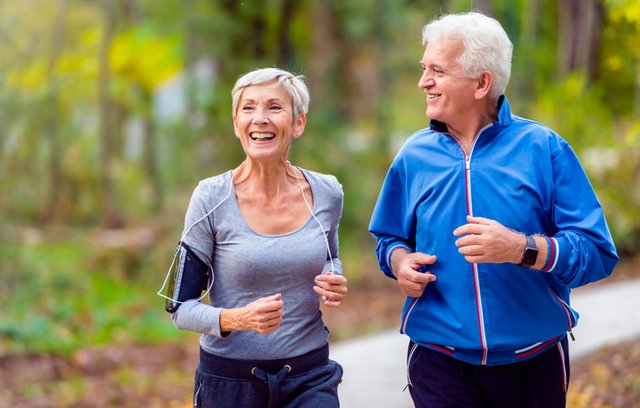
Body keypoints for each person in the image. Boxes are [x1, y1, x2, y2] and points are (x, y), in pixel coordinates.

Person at [369, 11, 618, 408]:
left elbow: (597, 252)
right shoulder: (413, 155)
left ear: (482, 82)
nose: (423, 82)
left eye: (438, 70)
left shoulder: (544, 149)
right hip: (438, 357)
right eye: (424, 68)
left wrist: (521, 249)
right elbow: (389, 238)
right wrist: (399, 262)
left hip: (533, 359)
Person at [160, 67, 348, 408]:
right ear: (236, 124)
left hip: (309, 375)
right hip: (230, 383)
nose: (260, 118)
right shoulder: (210, 198)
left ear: (298, 124)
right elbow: (178, 307)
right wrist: (238, 318)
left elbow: (329, 255)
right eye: (248, 108)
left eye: (274, 107)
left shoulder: (326, 192)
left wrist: (334, 275)